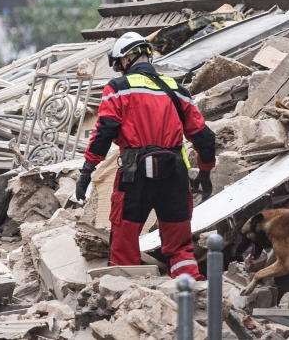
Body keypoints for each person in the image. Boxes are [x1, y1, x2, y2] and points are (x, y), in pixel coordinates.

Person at [75, 32, 216, 280]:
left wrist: (87, 170)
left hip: (134, 176)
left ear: (127, 60)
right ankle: (191, 295)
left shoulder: (117, 88)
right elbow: (204, 137)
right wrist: (205, 171)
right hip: (174, 177)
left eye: (119, 66)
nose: (119, 71)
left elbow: (104, 131)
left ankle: (125, 297)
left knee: (125, 243)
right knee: (180, 246)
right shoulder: (177, 90)